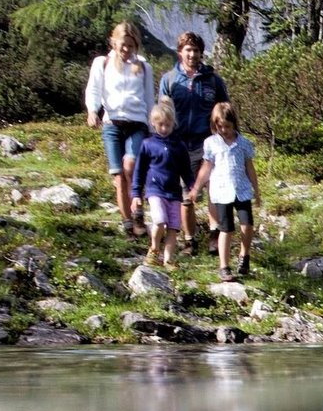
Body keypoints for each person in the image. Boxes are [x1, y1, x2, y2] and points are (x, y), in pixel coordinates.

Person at [83, 22, 156, 237]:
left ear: (136, 46)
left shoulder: (143, 66)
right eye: (123, 45)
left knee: (131, 166)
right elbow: (94, 88)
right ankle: (127, 222)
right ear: (113, 42)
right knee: (118, 177)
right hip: (112, 123)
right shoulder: (102, 63)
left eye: (131, 46)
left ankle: (138, 212)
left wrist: (153, 128)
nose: (126, 50)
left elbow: (149, 98)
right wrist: (92, 111)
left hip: (137, 123)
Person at [159, 31, 229, 256]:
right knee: (186, 195)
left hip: (208, 143)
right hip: (179, 145)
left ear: (201, 53)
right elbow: (162, 113)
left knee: (213, 192)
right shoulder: (169, 80)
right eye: (188, 50)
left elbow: (224, 110)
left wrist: (226, 138)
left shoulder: (213, 80)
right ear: (180, 52)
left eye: (196, 51)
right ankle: (189, 241)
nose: (193, 54)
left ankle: (213, 236)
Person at [189, 102, 260, 282]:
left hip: (242, 189)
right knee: (226, 228)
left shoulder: (243, 143)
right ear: (215, 125)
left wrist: (256, 190)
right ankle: (224, 266)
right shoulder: (211, 143)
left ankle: (244, 255)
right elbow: (206, 167)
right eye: (220, 126)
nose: (224, 130)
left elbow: (249, 167)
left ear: (234, 123)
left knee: (247, 223)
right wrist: (196, 187)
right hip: (221, 191)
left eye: (227, 126)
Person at [130, 100, 196, 269]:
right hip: (155, 191)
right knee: (159, 221)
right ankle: (154, 249)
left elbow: (186, 171)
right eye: (160, 125)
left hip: (174, 193)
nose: (164, 128)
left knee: (173, 227)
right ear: (153, 123)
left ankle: (168, 260)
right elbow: (139, 171)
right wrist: (136, 194)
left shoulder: (179, 146)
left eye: (168, 125)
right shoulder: (148, 144)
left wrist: (192, 187)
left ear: (173, 124)